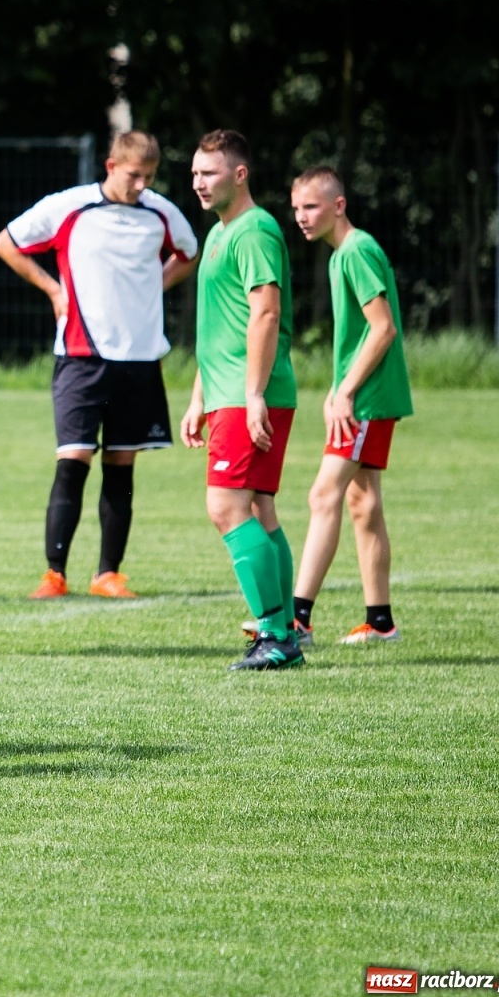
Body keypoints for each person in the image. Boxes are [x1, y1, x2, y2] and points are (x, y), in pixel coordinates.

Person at [0, 131, 198, 599]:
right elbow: (5, 243)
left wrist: (154, 287)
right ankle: (54, 574)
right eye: (133, 175)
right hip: (81, 358)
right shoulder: (70, 207)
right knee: (73, 461)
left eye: (148, 177)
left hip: (139, 359)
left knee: (121, 466)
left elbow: (189, 253)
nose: (140, 185)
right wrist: (52, 290)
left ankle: (108, 573)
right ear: (110, 166)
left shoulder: (160, 212)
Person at [179, 129, 301, 671]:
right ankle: (282, 632)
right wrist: (198, 397)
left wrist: (251, 394)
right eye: (195, 174)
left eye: (209, 173)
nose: (199, 183)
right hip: (230, 392)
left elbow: (265, 313)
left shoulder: (253, 230)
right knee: (259, 508)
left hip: (250, 393)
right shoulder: (220, 233)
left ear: (240, 174)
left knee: (225, 508)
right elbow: (222, 326)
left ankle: (275, 635)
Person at [284, 166, 412, 644]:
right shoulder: (343, 254)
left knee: (323, 495)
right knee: (362, 502)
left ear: (339, 206)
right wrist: (338, 388)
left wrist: (346, 392)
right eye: (296, 208)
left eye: (311, 206)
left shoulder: (356, 250)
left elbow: (383, 328)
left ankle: (296, 620)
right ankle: (381, 624)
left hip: (369, 400)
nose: (301, 216)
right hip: (365, 397)